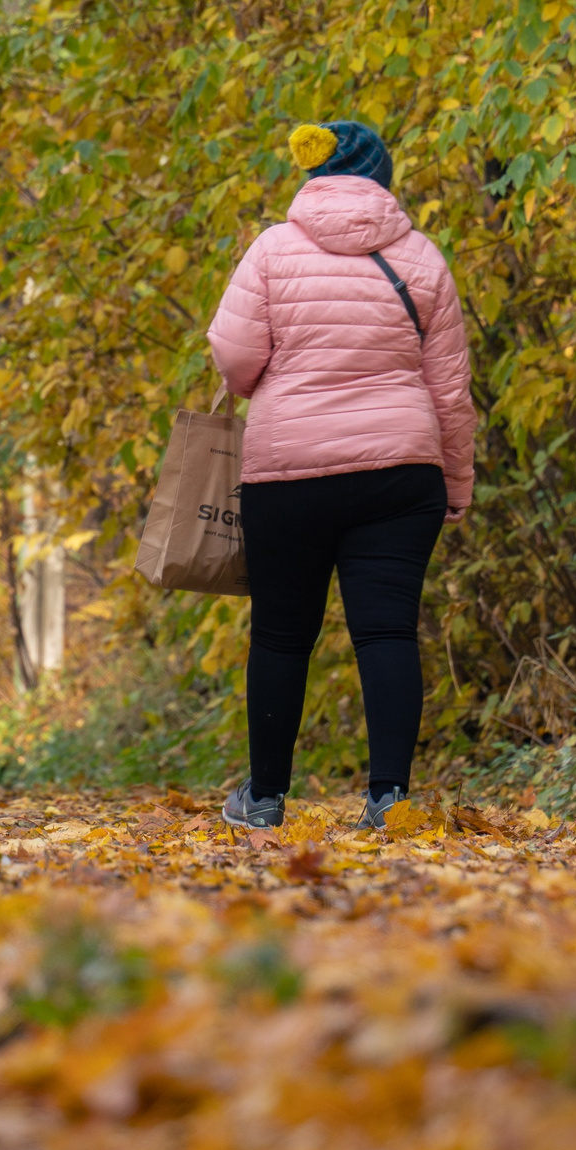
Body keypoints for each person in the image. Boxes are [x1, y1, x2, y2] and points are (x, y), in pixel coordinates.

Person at [207, 120, 475, 832]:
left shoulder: (271, 250)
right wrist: (456, 481)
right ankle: (388, 799)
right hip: (401, 471)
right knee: (386, 632)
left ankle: (263, 799)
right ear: (381, 180)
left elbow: (234, 360)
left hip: (288, 470)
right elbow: (450, 390)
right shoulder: (422, 258)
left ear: (313, 177)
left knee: (281, 635)